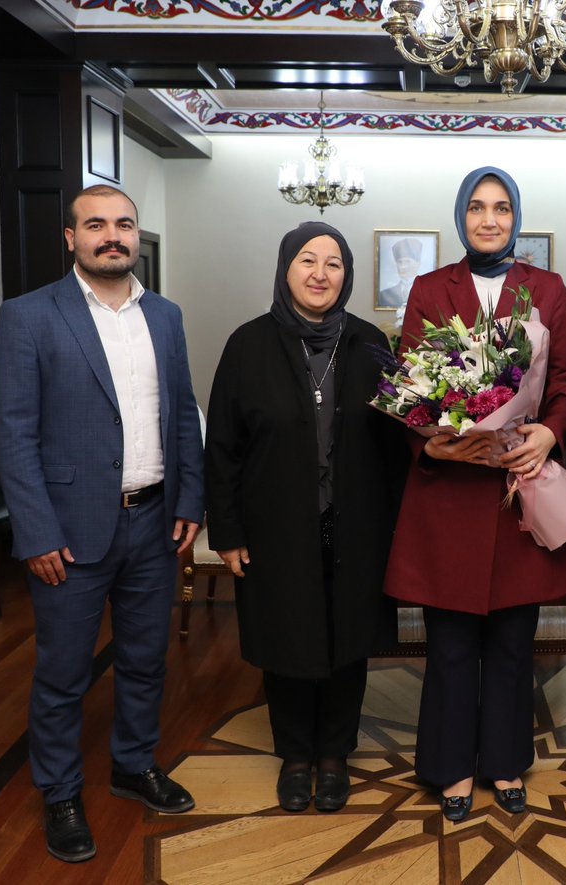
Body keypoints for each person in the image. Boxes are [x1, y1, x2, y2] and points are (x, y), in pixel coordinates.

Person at [0, 184, 204, 864]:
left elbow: (183, 415)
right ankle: (59, 791)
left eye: (123, 224)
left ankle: (132, 763)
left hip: (153, 523)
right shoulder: (29, 316)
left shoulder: (165, 317)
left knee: (145, 661)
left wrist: (189, 502)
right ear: (69, 236)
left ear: (136, 235)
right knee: (62, 673)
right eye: (96, 225)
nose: (111, 235)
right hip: (68, 530)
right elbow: (15, 433)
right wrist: (35, 530)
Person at [384, 166, 566, 822]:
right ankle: (449, 767)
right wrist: (434, 441)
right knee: (447, 643)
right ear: (461, 217)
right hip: (449, 492)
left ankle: (504, 763)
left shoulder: (547, 289)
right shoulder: (427, 288)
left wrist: (550, 434)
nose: (489, 219)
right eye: (477, 207)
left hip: (516, 493)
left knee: (511, 640)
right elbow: (411, 380)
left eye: (501, 207)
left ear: (516, 217)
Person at [204, 221, 408, 814]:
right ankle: (295, 755)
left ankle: (334, 756)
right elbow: (222, 446)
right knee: (285, 637)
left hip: (359, 524)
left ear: (347, 276)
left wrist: (397, 529)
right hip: (274, 525)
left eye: (334, 264)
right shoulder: (248, 345)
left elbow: (397, 447)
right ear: (286, 269)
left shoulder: (372, 344)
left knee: (348, 641)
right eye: (307, 261)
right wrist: (230, 530)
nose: (320, 274)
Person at [378, 237, 423, 307]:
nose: (402, 266)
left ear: (418, 264)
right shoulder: (384, 294)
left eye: (407, 261)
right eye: (400, 262)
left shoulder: (426, 292)